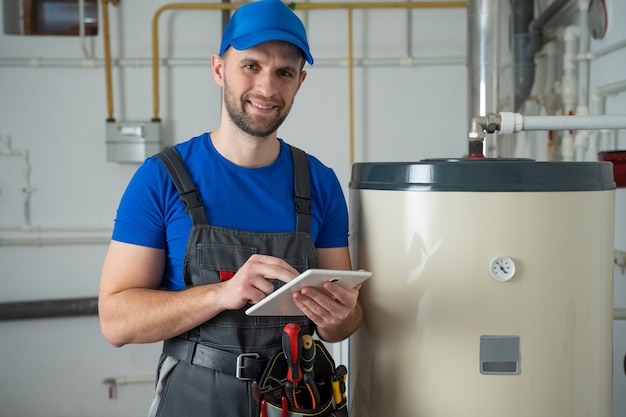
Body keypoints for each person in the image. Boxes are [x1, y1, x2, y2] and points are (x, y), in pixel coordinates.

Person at [98, 1, 362, 416]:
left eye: (284, 73)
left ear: (300, 82)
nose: (267, 88)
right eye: (251, 66)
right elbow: (115, 322)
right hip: (196, 395)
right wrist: (222, 294)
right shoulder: (161, 178)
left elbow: (344, 323)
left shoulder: (319, 182)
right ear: (219, 68)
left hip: (298, 394)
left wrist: (339, 318)